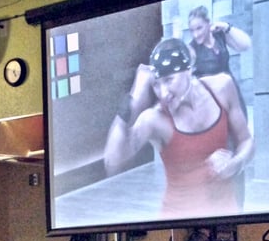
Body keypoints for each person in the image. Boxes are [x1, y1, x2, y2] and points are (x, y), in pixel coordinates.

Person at [104, 38, 253, 218]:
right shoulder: (155, 119)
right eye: (156, 84)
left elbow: (246, 141)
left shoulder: (222, 87)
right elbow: (112, 161)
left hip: (225, 216)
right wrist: (134, 98)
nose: (163, 93)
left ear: (188, 70)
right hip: (178, 223)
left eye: (169, 80)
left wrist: (235, 164)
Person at [187, 6, 252, 80]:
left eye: (199, 28)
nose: (195, 35)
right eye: (192, 30)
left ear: (208, 23)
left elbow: (245, 45)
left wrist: (226, 27)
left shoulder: (218, 36)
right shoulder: (192, 48)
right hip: (210, 87)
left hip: (230, 85)